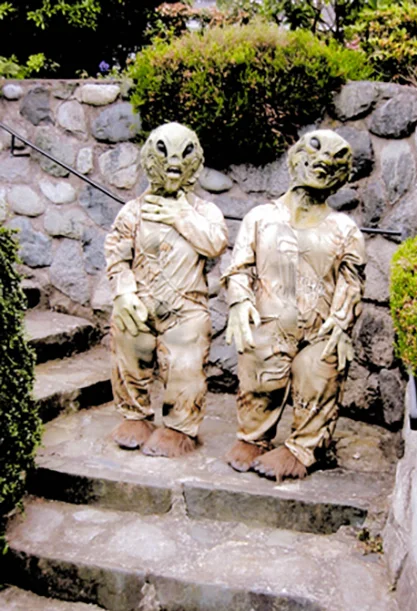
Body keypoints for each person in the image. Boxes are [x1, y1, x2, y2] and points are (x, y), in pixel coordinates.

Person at [223, 129, 366, 481]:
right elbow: (239, 268)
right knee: (258, 368)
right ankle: (253, 437)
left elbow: (351, 281)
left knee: (319, 368)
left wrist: (341, 321)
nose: (324, 160)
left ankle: (303, 449)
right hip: (270, 323)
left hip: (320, 332)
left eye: (336, 157)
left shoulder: (344, 228)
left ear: (343, 175)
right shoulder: (260, 217)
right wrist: (239, 301)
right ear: (296, 157)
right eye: (315, 150)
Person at [105, 122, 228, 457]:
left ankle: (179, 428)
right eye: (165, 151)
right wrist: (124, 292)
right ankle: (134, 416)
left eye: (184, 153)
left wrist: (180, 216)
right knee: (127, 343)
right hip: (140, 303)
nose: (174, 161)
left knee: (186, 364)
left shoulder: (205, 212)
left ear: (195, 162)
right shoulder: (133, 211)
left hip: (186, 308)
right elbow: (116, 255)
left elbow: (216, 243)